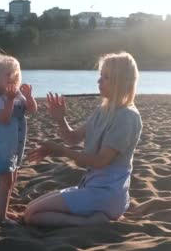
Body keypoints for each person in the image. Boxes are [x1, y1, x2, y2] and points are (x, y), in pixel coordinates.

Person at [24, 52, 142, 227]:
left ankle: (91, 222)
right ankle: (92, 217)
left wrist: (62, 151)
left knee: (33, 216)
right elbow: (73, 138)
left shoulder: (127, 117)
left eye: (106, 77)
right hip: (91, 188)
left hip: (108, 195)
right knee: (30, 209)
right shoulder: (103, 111)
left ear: (121, 81)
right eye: (100, 76)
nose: (99, 81)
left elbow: (100, 161)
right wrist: (60, 118)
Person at [0, 48, 37, 225]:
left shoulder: (18, 96)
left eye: (16, 75)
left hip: (16, 145)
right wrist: (10, 100)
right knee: (6, 180)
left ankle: (2, 211)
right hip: (3, 147)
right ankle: (1, 217)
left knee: (12, 179)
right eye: (8, 75)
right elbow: (4, 119)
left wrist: (28, 96)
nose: (13, 78)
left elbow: (32, 110)